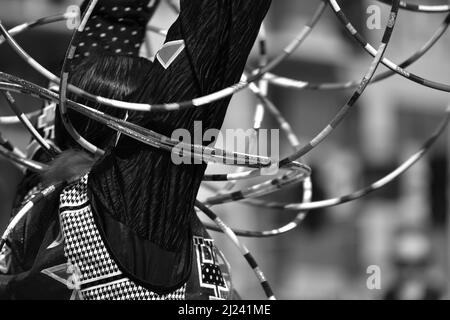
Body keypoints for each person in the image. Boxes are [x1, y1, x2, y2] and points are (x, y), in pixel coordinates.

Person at [0, 0, 271, 300]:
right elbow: (208, 48)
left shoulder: (41, 180)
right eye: (144, 113)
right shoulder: (131, 206)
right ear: (129, 133)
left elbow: (106, 34)